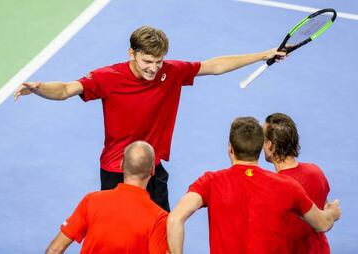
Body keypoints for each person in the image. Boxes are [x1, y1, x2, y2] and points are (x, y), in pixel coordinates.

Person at [14, 25, 286, 211]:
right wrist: (39, 89)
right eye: (147, 61)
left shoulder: (171, 72)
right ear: (131, 54)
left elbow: (213, 66)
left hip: (153, 170)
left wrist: (264, 54)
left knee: (160, 231)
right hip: (116, 172)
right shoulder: (108, 77)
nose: (154, 69)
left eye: (158, 62)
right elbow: (65, 90)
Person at [167, 117, 341, 254]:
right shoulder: (288, 186)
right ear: (260, 148)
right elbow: (322, 224)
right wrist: (332, 213)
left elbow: (174, 219)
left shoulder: (210, 182)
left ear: (230, 148)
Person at [45, 141, 168, 254]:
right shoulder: (159, 218)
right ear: (152, 170)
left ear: (121, 165)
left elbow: (54, 249)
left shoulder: (91, 201)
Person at [263, 112, 331, 253]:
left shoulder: (271, 186)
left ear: (271, 145)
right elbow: (325, 208)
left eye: (263, 140)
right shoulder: (316, 172)